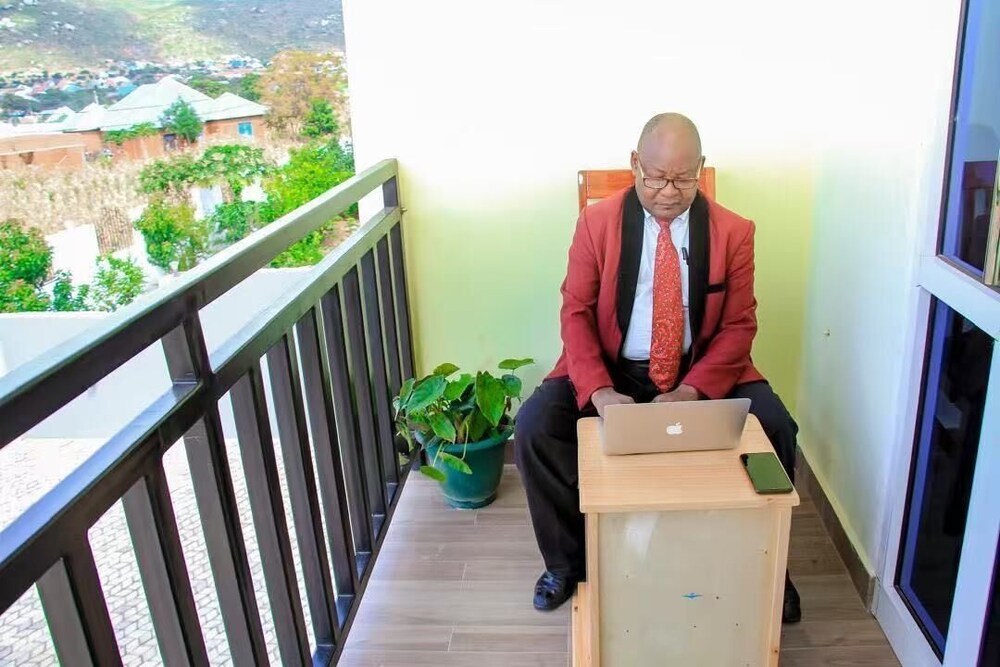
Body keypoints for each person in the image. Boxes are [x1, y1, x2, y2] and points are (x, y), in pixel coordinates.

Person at [514, 112, 802, 623]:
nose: (669, 192)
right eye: (657, 178)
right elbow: (575, 312)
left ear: (701, 169)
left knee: (776, 426)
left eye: (684, 179)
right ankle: (567, 564)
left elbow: (739, 325)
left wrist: (694, 389)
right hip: (612, 367)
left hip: (701, 367)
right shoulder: (596, 223)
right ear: (634, 164)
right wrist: (599, 391)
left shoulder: (734, 231)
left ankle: (768, 567)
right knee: (536, 426)